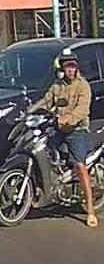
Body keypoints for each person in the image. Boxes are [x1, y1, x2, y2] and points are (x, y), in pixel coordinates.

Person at [33, 51, 96, 228]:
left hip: (77, 129)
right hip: (59, 128)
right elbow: (47, 100)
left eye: (72, 66)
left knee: (80, 165)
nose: (70, 69)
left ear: (77, 67)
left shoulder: (83, 86)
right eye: (67, 66)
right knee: (43, 149)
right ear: (62, 68)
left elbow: (82, 111)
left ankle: (90, 209)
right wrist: (30, 111)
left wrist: (65, 119)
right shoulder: (57, 85)